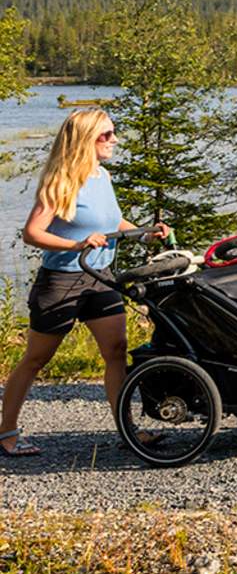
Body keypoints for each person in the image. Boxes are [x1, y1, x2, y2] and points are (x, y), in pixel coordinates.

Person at [2, 108, 169, 457]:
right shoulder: (62, 181)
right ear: (84, 140)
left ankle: (128, 431)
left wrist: (143, 236)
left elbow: (113, 221)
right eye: (105, 135)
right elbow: (32, 233)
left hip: (100, 277)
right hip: (61, 281)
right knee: (35, 359)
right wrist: (76, 244)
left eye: (113, 133)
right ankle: (6, 432)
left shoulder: (102, 176)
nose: (113, 140)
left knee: (115, 352)